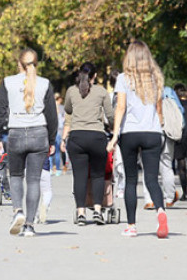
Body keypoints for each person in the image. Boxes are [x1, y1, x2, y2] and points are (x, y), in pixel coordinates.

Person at [106, 39, 169, 238]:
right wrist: (160, 126)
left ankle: (132, 226)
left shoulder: (123, 78)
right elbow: (159, 110)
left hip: (130, 134)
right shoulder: (156, 78)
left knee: (131, 180)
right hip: (152, 132)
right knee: (151, 179)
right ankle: (160, 211)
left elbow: (121, 108)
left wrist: (115, 134)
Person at [0, 48, 58, 237]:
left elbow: (1, 110)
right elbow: (51, 115)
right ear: (36, 63)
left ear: (19, 63)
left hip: (16, 133)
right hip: (39, 132)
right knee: (34, 180)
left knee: (15, 175)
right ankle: (29, 224)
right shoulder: (44, 84)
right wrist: (52, 139)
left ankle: (17, 211)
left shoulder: (8, 82)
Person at [60, 62, 114, 225]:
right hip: (97, 137)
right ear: (95, 76)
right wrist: (112, 129)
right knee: (98, 175)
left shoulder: (71, 91)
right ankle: (97, 211)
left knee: (80, 176)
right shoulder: (102, 92)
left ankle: (81, 213)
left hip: (77, 138)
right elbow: (110, 116)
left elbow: (68, 109)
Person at [51, 93, 66, 175]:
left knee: (50, 150)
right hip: (60, 131)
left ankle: (50, 168)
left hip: (52, 131)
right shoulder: (62, 108)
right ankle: (57, 169)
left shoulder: (50, 108)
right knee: (57, 151)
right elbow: (64, 121)